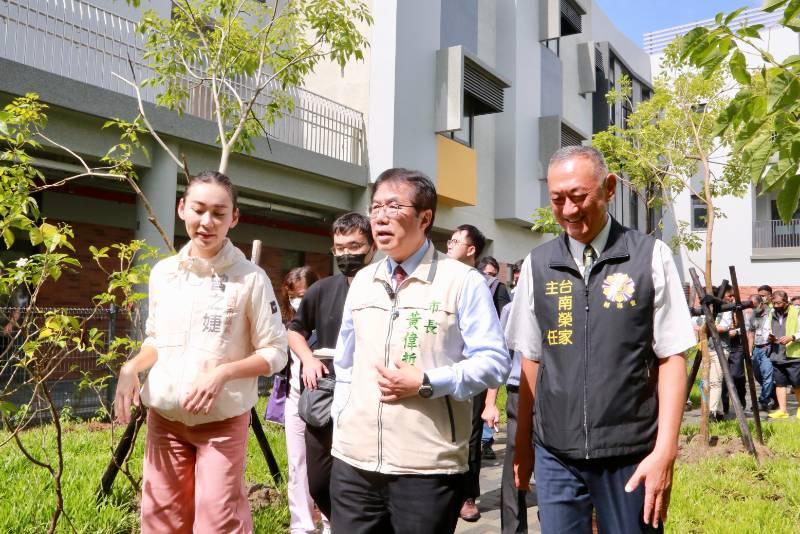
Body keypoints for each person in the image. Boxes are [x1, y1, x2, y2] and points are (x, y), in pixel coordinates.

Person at [508, 146, 695, 532]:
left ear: (609, 188)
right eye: (558, 199)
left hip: (630, 451)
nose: (569, 210)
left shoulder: (649, 256)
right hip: (556, 453)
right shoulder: (538, 264)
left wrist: (665, 451)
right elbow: (530, 360)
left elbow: (671, 357)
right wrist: (523, 444)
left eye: (579, 197)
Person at [330, 168, 510, 533]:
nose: (380, 216)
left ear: (425, 218)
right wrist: (342, 421)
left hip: (427, 466)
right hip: (354, 464)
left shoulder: (462, 282)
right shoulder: (364, 280)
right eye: (375, 206)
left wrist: (428, 381)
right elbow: (345, 363)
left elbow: (494, 363)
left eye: (393, 206)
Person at [114, 171, 288, 533]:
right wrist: (132, 366)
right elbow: (156, 340)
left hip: (222, 424)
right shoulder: (165, 273)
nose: (206, 222)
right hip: (165, 419)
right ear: (182, 209)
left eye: (218, 213)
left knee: (217, 522)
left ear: (234, 219)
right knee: (161, 520)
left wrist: (222, 373)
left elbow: (275, 352)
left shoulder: (251, 278)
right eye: (198, 209)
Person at [287, 212, 376, 522]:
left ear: (372, 246)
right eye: (339, 248)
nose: (346, 254)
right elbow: (295, 330)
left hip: (371, 397)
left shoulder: (385, 288)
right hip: (325, 394)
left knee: (361, 478)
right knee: (319, 479)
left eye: (354, 246)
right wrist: (308, 359)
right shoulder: (322, 290)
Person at [445, 224, 507, 521]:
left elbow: (497, 343)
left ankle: (468, 495)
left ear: (471, 249)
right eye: (450, 239)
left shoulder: (485, 285)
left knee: (469, 436)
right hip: (441, 371)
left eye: (456, 241)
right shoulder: (440, 279)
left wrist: (492, 397)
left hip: (471, 373)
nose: (449, 244)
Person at [281, 266, 324, 534]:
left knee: (326, 466)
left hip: (325, 401)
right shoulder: (285, 324)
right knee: (297, 465)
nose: (298, 300)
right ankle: (302, 526)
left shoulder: (328, 322)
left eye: (304, 294)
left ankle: (331, 522)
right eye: (293, 296)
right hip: (294, 398)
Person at [765, 291, 800, 419]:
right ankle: (783, 410)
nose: (776, 305)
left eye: (779, 303)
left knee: (797, 383)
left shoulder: (797, 312)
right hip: (777, 353)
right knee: (780, 383)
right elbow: (766, 329)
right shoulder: (771, 313)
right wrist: (769, 337)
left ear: (786, 301)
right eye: (773, 303)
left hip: (794, 354)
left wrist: (792, 337)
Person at [747, 294, 777, 411]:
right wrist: (749, 351)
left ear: (761, 303)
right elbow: (751, 334)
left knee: (767, 376)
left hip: (768, 347)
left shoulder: (772, 313)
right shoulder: (753, 316)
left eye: (755, 306)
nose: (754, 309)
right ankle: (774, 394)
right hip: (757, 349)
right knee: (758, 375)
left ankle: (763, 401)